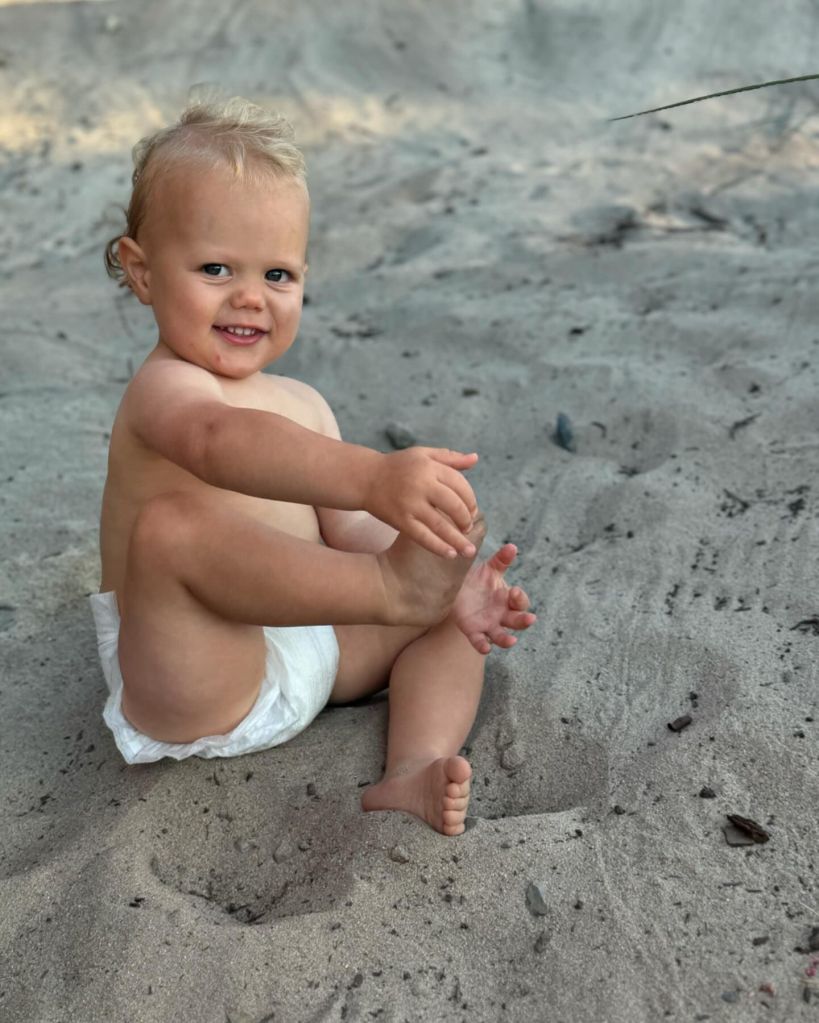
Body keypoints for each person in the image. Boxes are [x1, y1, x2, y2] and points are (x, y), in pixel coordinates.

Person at [91, 96, 536, 835]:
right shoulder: (167, 390)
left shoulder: (304, 403)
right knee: (174, 527)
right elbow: (216, 441)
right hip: (194, 678)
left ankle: (411, 766)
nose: (249, 296)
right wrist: (370, 481)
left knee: (451, 593)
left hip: (309, 652)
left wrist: (433, 567)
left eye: (277, 275)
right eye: (214, 267)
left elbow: (353, 530)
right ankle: (400, 594)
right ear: (141, 272)